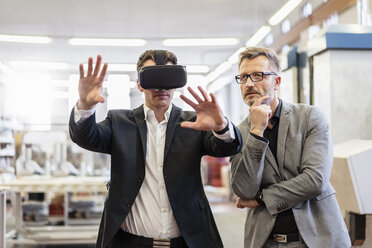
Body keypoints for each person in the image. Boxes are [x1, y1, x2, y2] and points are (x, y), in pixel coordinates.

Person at [69, 50, 242, 248]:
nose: (162, 86)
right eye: (153, 77)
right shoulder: (119, 122)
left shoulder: (194, 123)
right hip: (129, 243)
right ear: (140, 84)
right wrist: (84, 106)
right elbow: (85, 136)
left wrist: (221, 127)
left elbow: (228, 146)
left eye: (168, 78)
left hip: (187, 242)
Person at [230, 47, 351, 248]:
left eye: (258, 75)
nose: (249, 83)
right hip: (265, 242)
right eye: (243, 77)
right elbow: (244, 190)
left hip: (317, 240)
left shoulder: (310, 118)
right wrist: (256, 133)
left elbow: (315, 180)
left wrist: (262, 199)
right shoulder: (240, 133)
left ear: (277, 82)